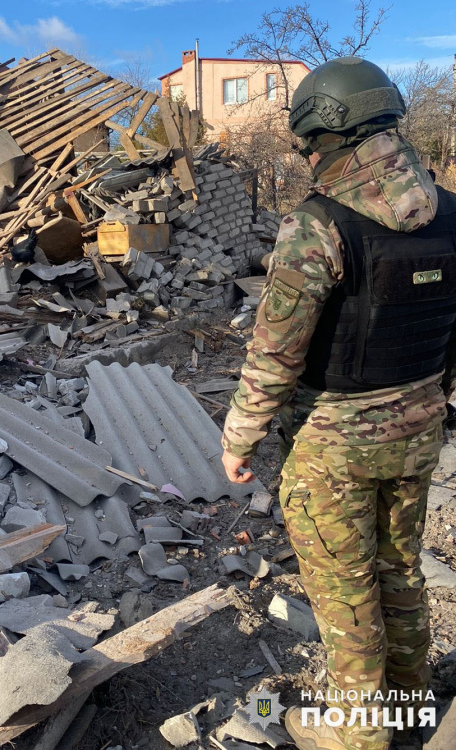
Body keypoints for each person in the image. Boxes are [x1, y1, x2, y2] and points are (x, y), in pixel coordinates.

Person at [221, 56, 456, 750]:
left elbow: (274, 353)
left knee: (345, 596)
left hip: (331, 449)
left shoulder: (315, 227)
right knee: (399, 572)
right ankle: (410, 704)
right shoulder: (453, 215)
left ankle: (360, 737)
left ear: (323, 135)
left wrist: (238, 439)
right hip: (418, 432)